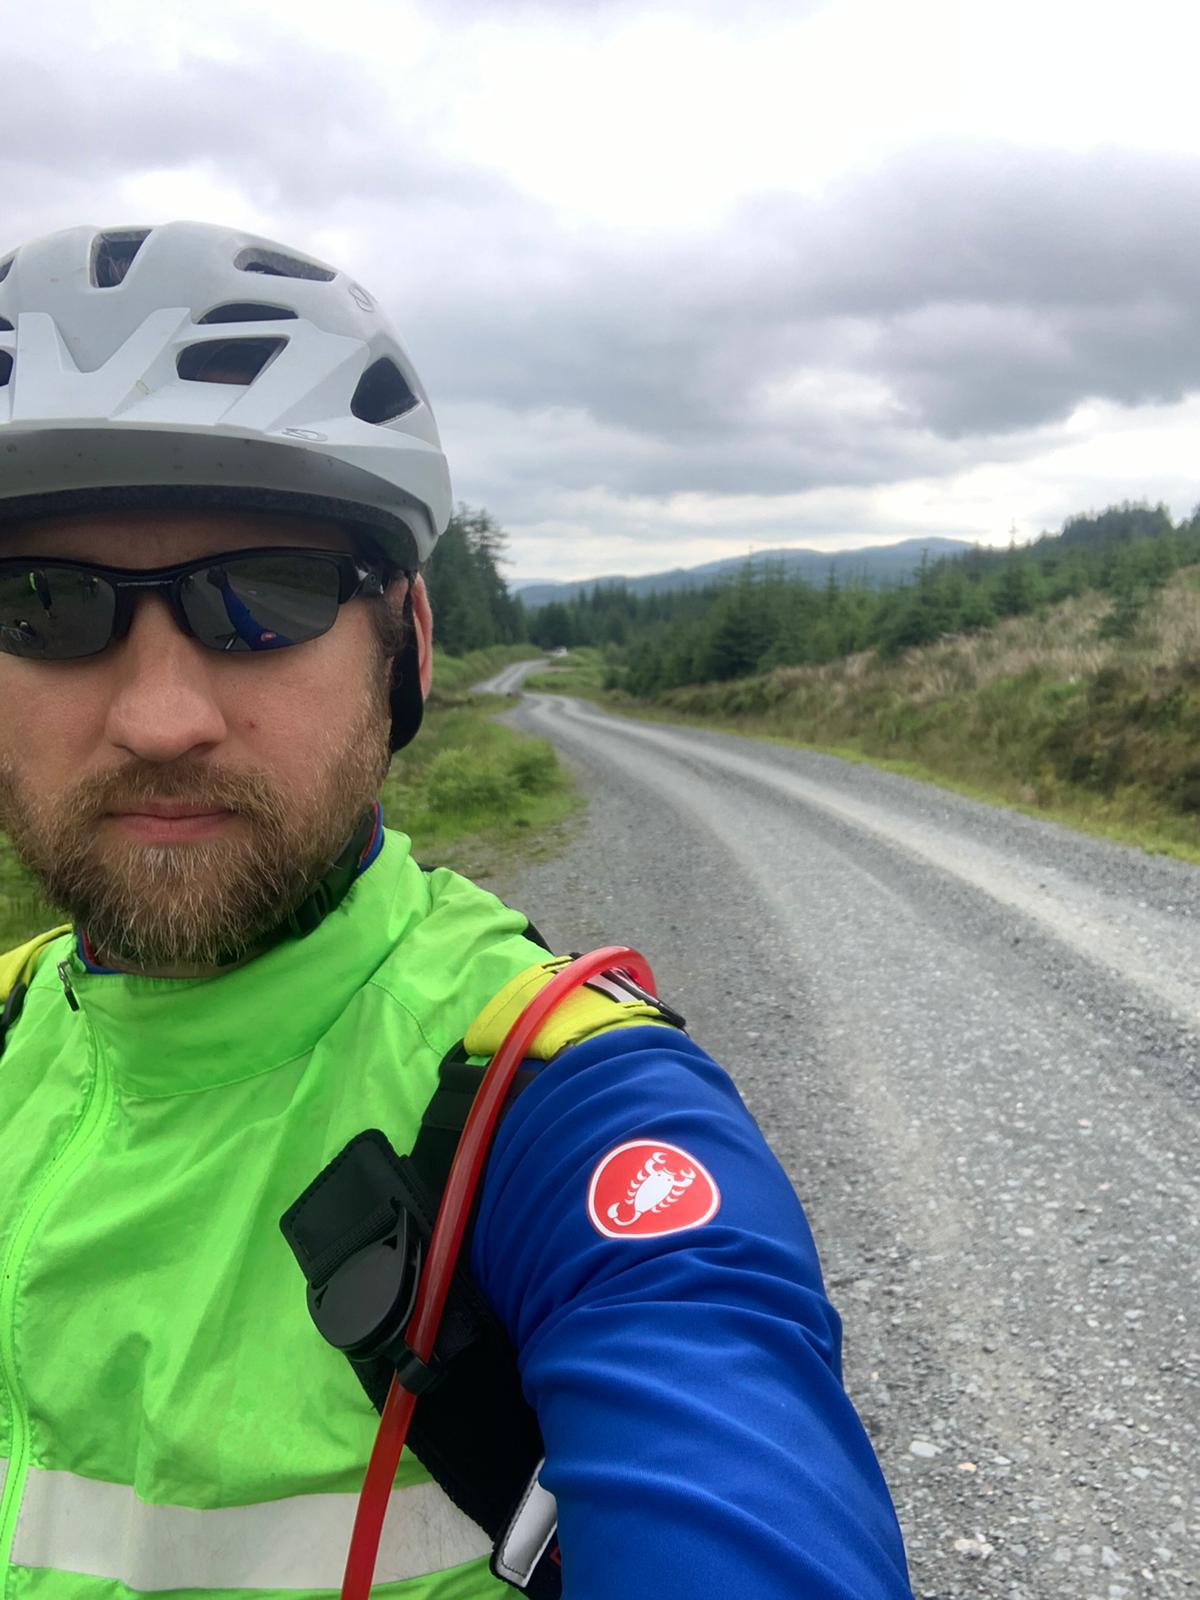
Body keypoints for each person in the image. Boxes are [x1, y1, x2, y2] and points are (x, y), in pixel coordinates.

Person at [0, 221, 914, 1600]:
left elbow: (719, 1416)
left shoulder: (546, 1107)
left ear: (408, 649)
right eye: (47, 605)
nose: (163, 716)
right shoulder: (12, 1022)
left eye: (268, 598)